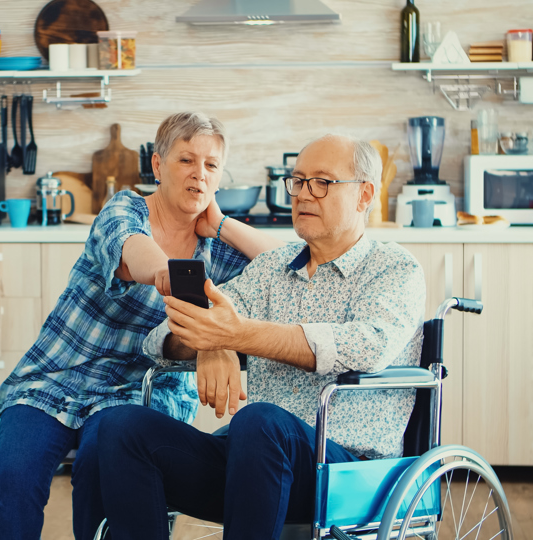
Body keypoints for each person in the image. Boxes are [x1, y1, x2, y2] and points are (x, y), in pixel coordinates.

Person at [98, 134, 427, 540]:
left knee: (258, 421)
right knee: (119, 426)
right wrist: (210, 342)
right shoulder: (272, 268)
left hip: (348, 471)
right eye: (298, 181)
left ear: (365, 195)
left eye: (321, 182)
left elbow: (366, 345)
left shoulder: (394, 268)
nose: (304, 194)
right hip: (254, 460)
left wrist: (237, 334)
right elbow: (163, 338)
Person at [0, 112, 284, 540]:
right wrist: (209, 337)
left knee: (98, 473)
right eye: (186, 161)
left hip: (143, 387)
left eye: (211, 165)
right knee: (13, 478)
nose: (199, 175)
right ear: (158, 166)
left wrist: (220, 223)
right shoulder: (124, 208)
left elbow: (290, 266)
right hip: (60, 373)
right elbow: (140, 255)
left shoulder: (219, 249)